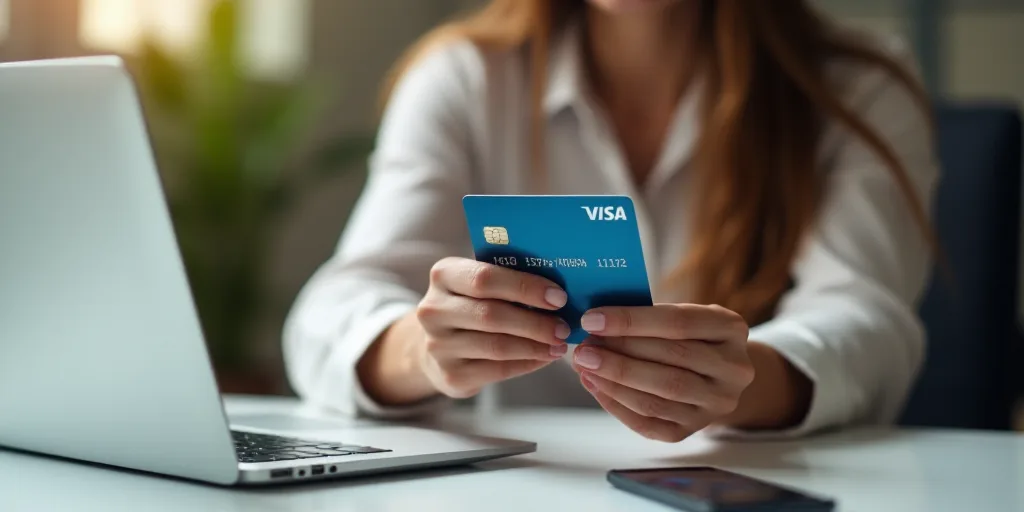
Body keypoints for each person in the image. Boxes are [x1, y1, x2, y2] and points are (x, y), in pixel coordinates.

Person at [283, 0, 939, 442]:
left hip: (730, 482)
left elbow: (869, 322)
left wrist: (746, 381)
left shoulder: (854, 89)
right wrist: (421, 350)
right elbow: (330, 310)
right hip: (522, 489)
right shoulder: (465, 78)